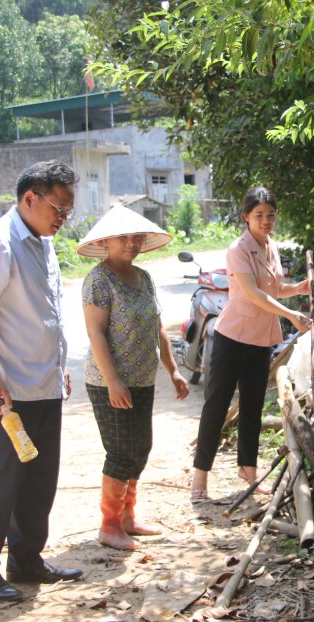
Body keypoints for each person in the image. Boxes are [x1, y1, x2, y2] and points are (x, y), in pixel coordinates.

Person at [0, 160, 83, 601]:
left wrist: (58, 364)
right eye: (58, 208)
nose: (63, 218)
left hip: (44, 384)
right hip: (8, 391)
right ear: (30, 198)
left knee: (39, 478)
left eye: (68, 211)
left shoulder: (42, 242)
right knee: (4, 477)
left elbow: (42, 310)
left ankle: (26, 560)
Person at [77, 204, 190, 550]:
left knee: (141, 448)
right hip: (109, 382)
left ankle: (128, 517)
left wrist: (173, 370)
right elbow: (96, 334)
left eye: (136, 236)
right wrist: (112, 381)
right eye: (122, 237)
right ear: (106, 242)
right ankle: (109, 525)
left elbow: (158, 328)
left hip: (141, 378)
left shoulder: (145, 278)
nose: (131, 242)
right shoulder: (98, 280)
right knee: (120, 451)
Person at [191, 187, 312, 501]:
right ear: (246, 216)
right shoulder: (238, 249)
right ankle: (200, 477)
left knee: (253, 407)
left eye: (271, 215)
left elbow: (272, 287)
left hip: (260, 339)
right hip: (232, 338)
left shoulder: (271, 245)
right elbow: (253, 294)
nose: (266, 220)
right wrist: (291, 314)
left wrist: (296, 289)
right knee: (216, 406)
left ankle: (248, 470)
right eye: (259, 215)